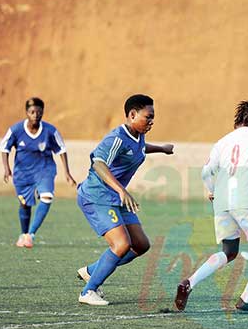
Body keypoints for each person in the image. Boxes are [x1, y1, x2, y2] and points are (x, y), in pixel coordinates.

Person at [174, 100, 248, 313]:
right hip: (245, 202)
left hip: (221, 202)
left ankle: (189, 283)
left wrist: (211, 190)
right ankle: (246, 298)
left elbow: (205, 172)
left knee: (229, 251)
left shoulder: (221, 142)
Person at [74, 94, 173, 305]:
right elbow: (99, 163)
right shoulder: (116, 137)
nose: (152, 121)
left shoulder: (137, 134)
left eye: (153, 117)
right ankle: (88, 291)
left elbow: (138, 148)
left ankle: (92, 271)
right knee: (121, 244)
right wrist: (121, 190)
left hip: (115, 196)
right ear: (132, 114)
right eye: (148, 117)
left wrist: (162, 149)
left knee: (140, 245)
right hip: (97, 196)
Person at [0, 97, 77, 248]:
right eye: (32, 112)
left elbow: (61, 149)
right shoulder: (16, 130)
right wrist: (6, 168)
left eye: (38, 112)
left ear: (43, 113)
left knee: (47, 197)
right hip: (23, 173)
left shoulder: (50, 131)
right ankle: (23, 233)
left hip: (44, 170)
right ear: (26, 113)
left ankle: (31, 234)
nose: (35, 115)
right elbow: (4, 148)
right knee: (25, 205)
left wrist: (67, 172)